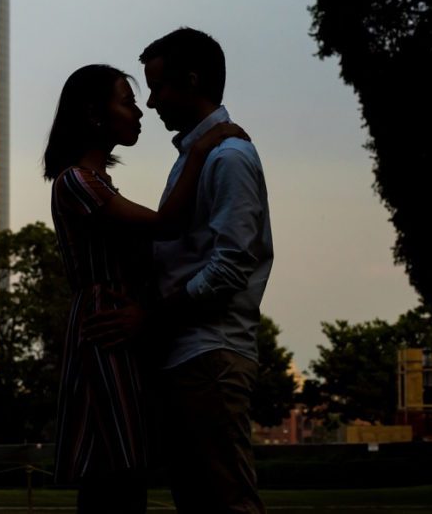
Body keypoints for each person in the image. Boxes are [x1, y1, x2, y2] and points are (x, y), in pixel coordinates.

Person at [44, 64, 247, 514]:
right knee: (114, 463)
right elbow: (165, 225)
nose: (140, 112)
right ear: (95, 115)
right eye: (127, 101)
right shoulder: (77, 182)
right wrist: (199, 152)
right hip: (107, 326)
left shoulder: (95, 183)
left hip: (120, 322)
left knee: (121, 463)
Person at [134, 27, 272, 513]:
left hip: (211, 353)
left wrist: (156, 315)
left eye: (158, 87)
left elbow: (231, 267)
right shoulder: (201, 155)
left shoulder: (228, 157)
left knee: (227, 500)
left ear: (191, 81)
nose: (150, 103)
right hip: (191, 353)